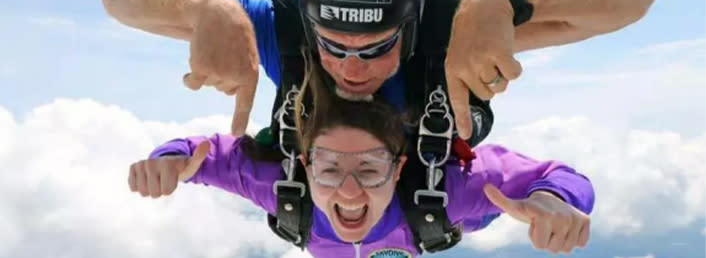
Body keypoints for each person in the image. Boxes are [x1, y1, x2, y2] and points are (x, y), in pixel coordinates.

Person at [100, 0, 657, 141]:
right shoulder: (279, 33)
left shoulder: (448, 42)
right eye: (332, 44)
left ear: (412, 30)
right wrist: (205, 7)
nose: (350, 66)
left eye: (378, 46)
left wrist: (506, 0)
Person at [127, 58, 595, 257]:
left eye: (369, 168)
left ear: (400, 167)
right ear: (306, 165)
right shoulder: (287, 187)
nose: (349, 190)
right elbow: (203, 157)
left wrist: (555, 198)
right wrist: (168, 159)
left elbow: (556, 176)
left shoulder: (449, 192)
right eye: (330, 167)